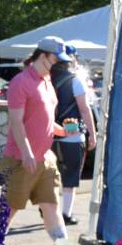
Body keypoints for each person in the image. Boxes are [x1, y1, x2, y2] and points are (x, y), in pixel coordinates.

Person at [0, 36, 71, 245]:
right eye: (56, 58)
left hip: (45, 159)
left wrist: (63, 131)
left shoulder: (47, 80)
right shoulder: (20, 82)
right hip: (21, 159)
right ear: (43, 56)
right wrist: (27, 152)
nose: (59, 63)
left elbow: (44, 119)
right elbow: (17, 122)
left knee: (51, 205)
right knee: (11, 207)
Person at [50, 44, 97, 226]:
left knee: (50, 174)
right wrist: (93, 134)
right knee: (70, 175)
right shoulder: (75, 80)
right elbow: (84, 110)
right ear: (71, 60)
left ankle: (47, 209)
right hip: (72, 134)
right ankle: (66, 214)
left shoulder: (46, 79)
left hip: (50, 133)